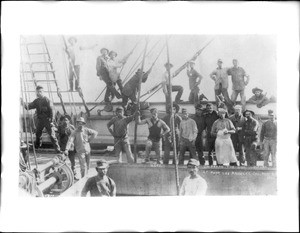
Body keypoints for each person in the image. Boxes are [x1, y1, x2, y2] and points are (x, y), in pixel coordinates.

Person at [21, 85, 61, 152]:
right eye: (37, 92)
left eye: (40, 92)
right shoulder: (36, 101)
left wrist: (52, 121)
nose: (38, 93)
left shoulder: (47, 100)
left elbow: (52, 111)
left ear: (43, 92)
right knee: (38, 133)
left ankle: (58, 149)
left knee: (52, 135)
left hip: (48, 120)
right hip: (40, 120)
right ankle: (37, 146)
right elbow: (28, 107)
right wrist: (22, 102)